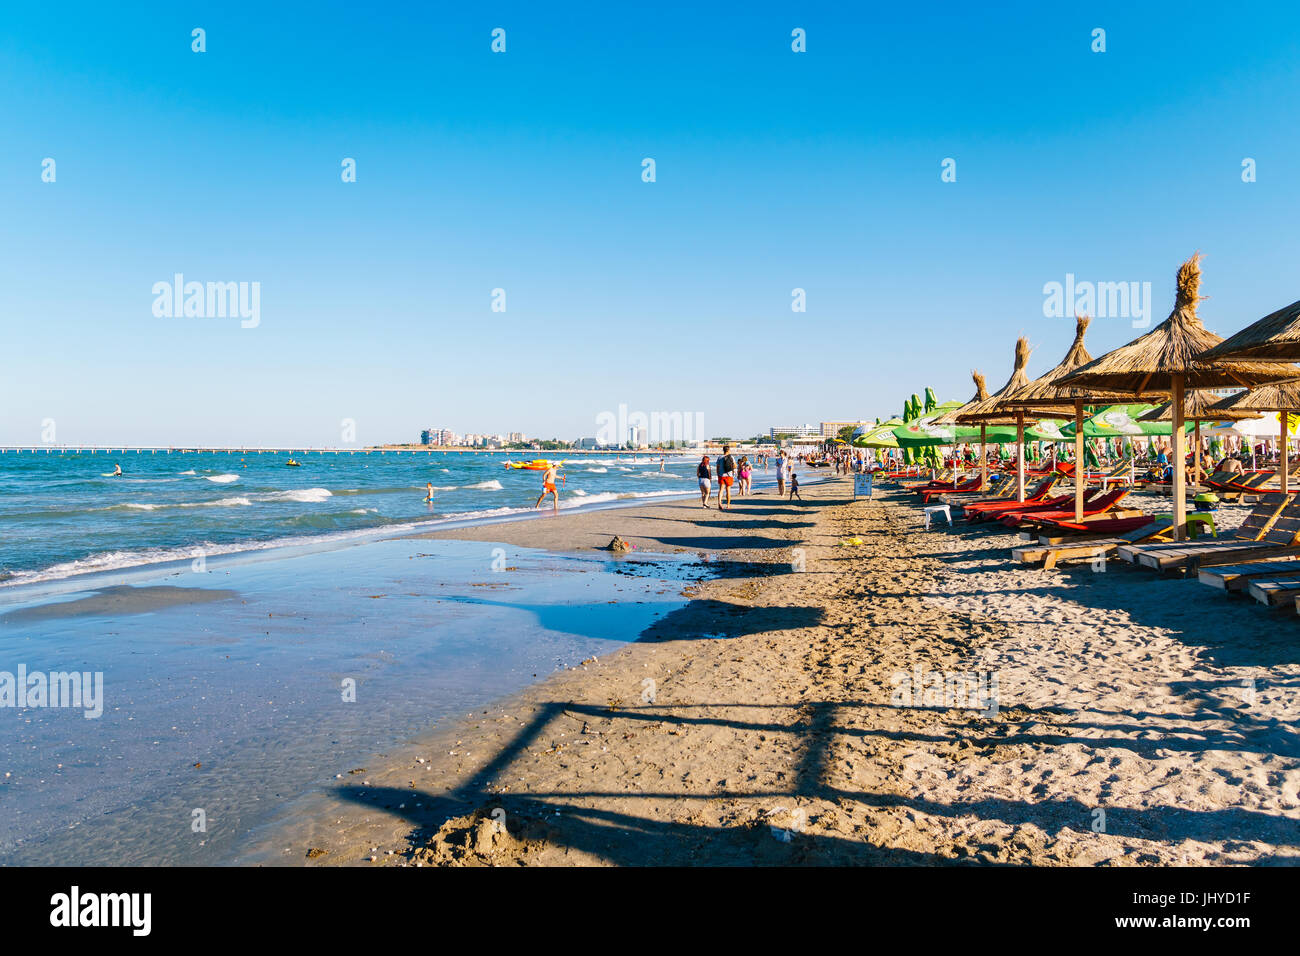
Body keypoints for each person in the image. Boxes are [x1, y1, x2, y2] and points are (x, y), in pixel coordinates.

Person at [716, 444, 736, 510]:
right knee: (728, 490)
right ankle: (728, 505)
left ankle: (719, 503)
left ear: (723, 450)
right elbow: (735, 466)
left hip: (721, 475)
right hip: (729, 475)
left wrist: (718, 474)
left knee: (721, 490)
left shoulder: (720, 457)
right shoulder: (731, 457)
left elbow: (717, 467)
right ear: (729, 450)